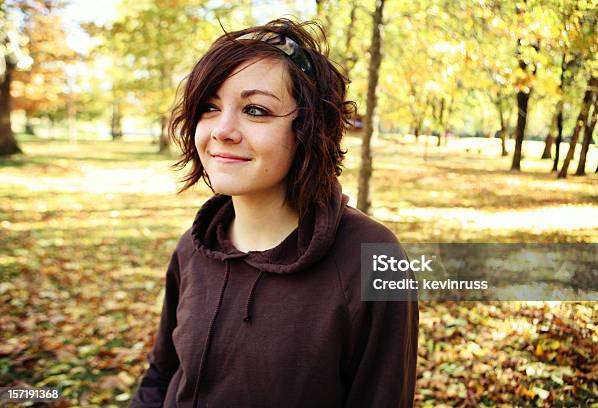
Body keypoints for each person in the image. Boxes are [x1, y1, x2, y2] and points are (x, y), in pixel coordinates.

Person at [129, 18, 419, 408]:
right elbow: (162, 374)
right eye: (210, 107)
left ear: (309, 128)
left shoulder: (373, 259)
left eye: (256, 110)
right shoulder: (194, 247)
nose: (223, 130)